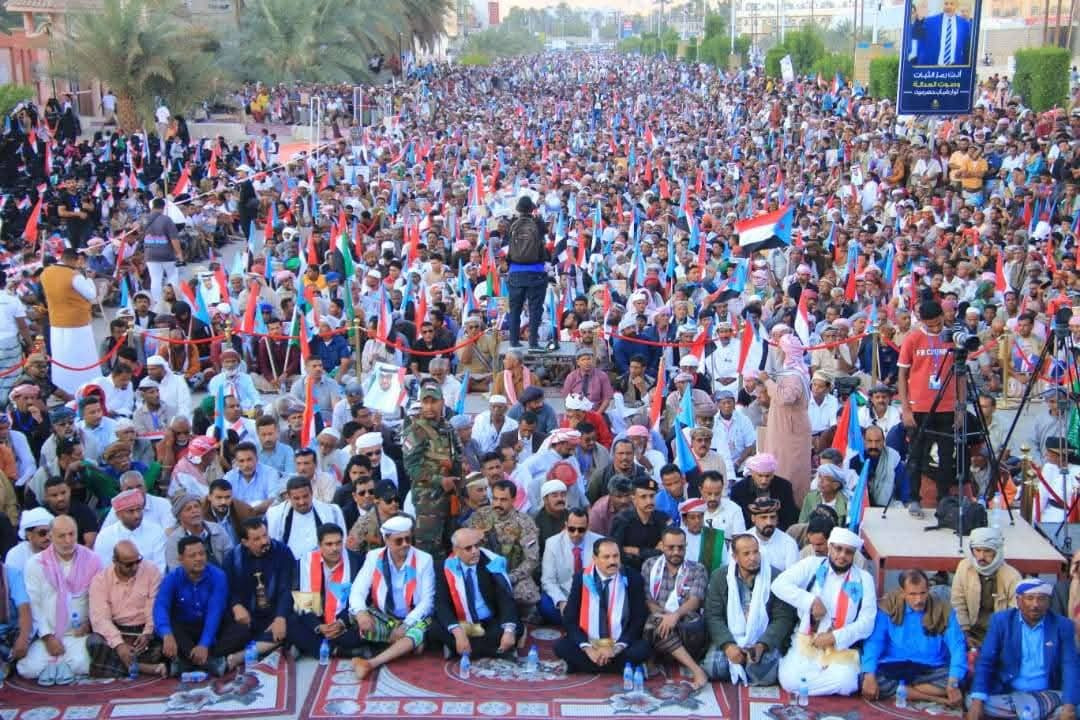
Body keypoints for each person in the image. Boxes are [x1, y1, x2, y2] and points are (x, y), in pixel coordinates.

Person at [772, 527, 877, 696]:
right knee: (788, 681)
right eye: (838, 549)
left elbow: (867, 623)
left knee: (847, 682)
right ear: (829, 547)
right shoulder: (811, 565)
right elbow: (778, 585)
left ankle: (806, 686)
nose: (842, 555)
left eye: (848, 552)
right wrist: (810, 601)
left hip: (841, 646)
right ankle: (812, 683)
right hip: (808, 641)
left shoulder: (864, 579)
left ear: (854, 555)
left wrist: (834, 637)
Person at [968, 579, 1079, 720]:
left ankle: (1027, 713)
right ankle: (1034, 713)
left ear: (1049, 602)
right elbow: (986, 661)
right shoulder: (1001, 621)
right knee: (972, 701)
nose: (1035, 605)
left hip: (1047, 693)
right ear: (1018, 601)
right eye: (1030, 598)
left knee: (1073, 706)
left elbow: (1070, 666)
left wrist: (1069, 707)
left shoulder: (1062, 625)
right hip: (1009, 693)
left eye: (1041, 599)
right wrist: (977, 701)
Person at [860, 569, 967, 707]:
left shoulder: (942, 609)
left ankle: (904, 691)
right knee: (865, 678)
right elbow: (875, 642)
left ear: (929, 590)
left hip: (930, 668)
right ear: (902, 592)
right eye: (912, 594)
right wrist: (869, 675)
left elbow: (957, 645)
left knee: (961, 678)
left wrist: (953, 683)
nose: (919, 600)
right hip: (894, 666)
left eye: (923, 593)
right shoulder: (889, 606)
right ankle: (935, 698)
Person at [347, 515, 436, 680]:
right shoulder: (374, 557)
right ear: (386, 540)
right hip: (384, 617)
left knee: (417, 630)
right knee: (357, 617)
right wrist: (361, 613)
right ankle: (406, 646)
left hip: (413, 618)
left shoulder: (424, 560)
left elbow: (427, 601)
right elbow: (358, 590)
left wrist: (405, 625)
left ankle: (371, 663)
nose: (405, 544)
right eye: (399, 541)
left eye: (408, 539)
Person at [703, 532, 796, 685]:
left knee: (766, 676)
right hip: (731, 636)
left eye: (755, 552)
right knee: (713, 668)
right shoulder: (720, 577)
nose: (753, 558)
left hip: (761, 639)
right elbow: (713, 616)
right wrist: (728, 645)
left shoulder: (775, 577)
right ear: (735, 557)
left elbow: (782, 618)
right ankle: (740, 663)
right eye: (746, 554)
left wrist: (762, 645)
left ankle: (747, 664)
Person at [18, 515, 102, 684]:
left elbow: (99, 598)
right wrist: (48, 637)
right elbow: (34, 605)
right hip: (46, 635)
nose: (68, 540)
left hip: (77, 634)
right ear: (50, 536)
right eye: (61, 536)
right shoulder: (36, 563)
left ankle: (58, 667)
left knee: (85, 663)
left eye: (71, 534)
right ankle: (61, 666)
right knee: (27, 668)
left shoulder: (92, 560)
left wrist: (89, 624)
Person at [153, 536, 249, 677]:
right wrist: (167, 635)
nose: (199, 558)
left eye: (202, 553)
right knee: (166, 628)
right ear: (181, 559)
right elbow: (160, 607)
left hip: (213, 630)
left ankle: (186, 664)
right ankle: (212, 663)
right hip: (186, 631)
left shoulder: (218, 576)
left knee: (242, 630)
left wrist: (204, 644)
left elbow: (215, 612)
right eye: (192, 555)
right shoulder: (171, 578)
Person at [554, 537, 650, 673]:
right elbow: (569, 618)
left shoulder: (632, 578)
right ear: (595, 558)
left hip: (619, 644)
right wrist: (588, 649)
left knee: (643, 648)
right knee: (561, 646)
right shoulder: (582, 578)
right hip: (590, 642)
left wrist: (616, 649)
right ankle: (617, 667)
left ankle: (589, 666)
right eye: (606, 557)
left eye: (616, 556)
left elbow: (638, 619)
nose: (612, 562)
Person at [899, 301, 957, 504]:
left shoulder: (953, 337)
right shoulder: (913, 338)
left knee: (946, 456)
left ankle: (944, 499)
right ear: (922, 321)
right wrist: (906, 409)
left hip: (947, 406)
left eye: (938, 323)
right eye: (930, 325)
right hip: (919, 407)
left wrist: (960, 407)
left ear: (943, 316)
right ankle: (914, 498)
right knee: (916, 456)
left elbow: (961, 374)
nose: (935, 328)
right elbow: (902, 374)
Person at [431, 527, 519, 659]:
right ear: (456, 550)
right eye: (468, 548)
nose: (475, 551)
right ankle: (496, 651)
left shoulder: (492, 562)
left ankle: (458, 649)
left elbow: (505, 598)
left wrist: (509, 631)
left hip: (488, 622)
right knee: (434, 627)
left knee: (513, 627)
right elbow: (441, 603)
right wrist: (458, 633)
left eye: (477, 546)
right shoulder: (444, 567)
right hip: (461, 622)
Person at [641, 527, 709, 689]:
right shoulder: (650, 565)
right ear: (662, 546)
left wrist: (675, 616)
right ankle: (696, 670)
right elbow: (648, 600)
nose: (676, 552)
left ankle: (655, 662)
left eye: (680, 547)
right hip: (658, 621)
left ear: (686, 546)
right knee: (655, 622)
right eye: (671, 547)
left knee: (654, 625)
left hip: (687, 627)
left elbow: (695, 601)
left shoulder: (697, 569)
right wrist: (665, 618)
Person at [86, 539, 165, 678]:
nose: (135, 567)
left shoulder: (151, 571)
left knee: (164, 645)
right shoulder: (100, 580)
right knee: (94, 642)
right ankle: (144, 668)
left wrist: (147, 633)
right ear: (115, 561)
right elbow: (100, 619)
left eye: (138, 561)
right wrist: (119, 645)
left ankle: (116, 667)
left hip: (144, 633)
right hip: (117, 630)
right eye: (129, 564)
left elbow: (154, 607)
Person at [466, 479, 541, 619]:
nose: (498, 504)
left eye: (503, 500)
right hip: (483, 573)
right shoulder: (479, 517)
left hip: (512, 574)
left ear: (513, 499)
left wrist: (510, 577)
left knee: (527, 595)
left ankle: (523, 619)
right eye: (495, 499)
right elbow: (464, 545)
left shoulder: (525, 522)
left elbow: (532, 559)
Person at [287, 523, 364, 659]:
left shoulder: (356, 561)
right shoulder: (305, 563)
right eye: (329, 544)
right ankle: (336, 651)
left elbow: (361, 597)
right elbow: (303, 603)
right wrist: (318, 627)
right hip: (316, 619)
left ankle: (311, 646)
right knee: (291, 623)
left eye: (338, 543)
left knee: (363, 628)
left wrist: (342, 622)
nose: (335, 549)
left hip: (344, 619)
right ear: (319, 545)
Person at [403, 385, 462, 563]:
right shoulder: (415, 431)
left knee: (452, 544)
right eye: (425, 402)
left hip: (451, 497)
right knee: (429, 550)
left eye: (434, 401)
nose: (429, 406)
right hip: (427, 501)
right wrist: (439, 480)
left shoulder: (448, 427)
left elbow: (458, 455)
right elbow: (411, 467)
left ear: (442, 402)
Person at [223, 518, 294, 664]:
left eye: (265, 535)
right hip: (247, 616)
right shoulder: (232, 558)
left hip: (274, 613)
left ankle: (240, 656)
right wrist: (236, 605)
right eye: (257, 539)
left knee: (293, 625)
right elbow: (226, 588)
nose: (264, 541)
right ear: (245, 542)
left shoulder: (282, 552)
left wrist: (280, 617)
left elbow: (287, 588)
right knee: (231, 628)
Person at [40, 248, 99, 394]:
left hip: (56, 321)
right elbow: (91, 295)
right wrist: (89, 279)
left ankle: (63, 387)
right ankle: (84, 385)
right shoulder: (74, 276)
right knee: (81, 356)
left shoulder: (46, 272)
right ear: (75, 260)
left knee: (62, 357)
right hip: (77, 323)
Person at [951, 526, 1021, 649]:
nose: (981, 556)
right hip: (969, 632)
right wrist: (965, 634)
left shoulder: (1012, 577)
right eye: (977, 550)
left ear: (997, 551)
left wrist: (997, 642)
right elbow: (958, 603)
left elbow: (1014, 615)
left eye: (987, 551)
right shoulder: (964, 567)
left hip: (1000, 636)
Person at [763, 334, 812, 503]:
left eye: (780, 349)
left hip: (791, 432)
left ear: (786, 352)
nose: (778, 352)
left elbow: (786, 398)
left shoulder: (794, 375)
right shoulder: (789, 372)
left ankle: (793, 508)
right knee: (778, 468)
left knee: (790, 472)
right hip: (782, 428)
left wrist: (767, 382)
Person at [539, 507, 602, 625]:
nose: (576, 534)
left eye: (581, 530)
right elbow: (548, 580)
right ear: (566, 525)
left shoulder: (600, 543)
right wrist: (561, 601)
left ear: (588, 527)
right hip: (563, 593)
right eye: (572, 529)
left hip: (591, 596)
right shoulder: (552, 543)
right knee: (545, 604)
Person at [505, 194, 550, 351]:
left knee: (515, 309)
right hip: (536, 272)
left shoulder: (512, 224)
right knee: (535, 308)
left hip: (515, 272)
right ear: (532, 209)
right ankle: (533, 342)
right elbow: (545, 232)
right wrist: (538, 218)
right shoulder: (537, 223)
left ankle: (513, 341)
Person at [266, 475, 347, 558]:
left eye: (305, 496)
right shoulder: (275, 514)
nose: (302, 502)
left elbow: (342, 543)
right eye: (296, 498)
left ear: (312, 493)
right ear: (289, 498)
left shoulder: (332, 512)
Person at [93, 488, 168, 574]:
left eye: (139, 509)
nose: (137, 515)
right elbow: (103, 570)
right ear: (118, 515)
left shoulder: (156, 531)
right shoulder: (105, 536)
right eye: (131, 511)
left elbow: (160, 569)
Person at [611, 478, 670, 572]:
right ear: (633, 499)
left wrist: (637, 551)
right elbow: (616, 551)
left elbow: (668, 549)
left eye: (652, 496)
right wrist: (653, 552)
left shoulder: (663, 519)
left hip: (657, 569)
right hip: (629, 571)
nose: (649, 501)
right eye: (643, 497)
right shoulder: (622, 520)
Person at [729, 453, 799, 530]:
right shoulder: (739, 490)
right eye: (760, 476)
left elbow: (790, 516)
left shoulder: (784, 486)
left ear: (773, 474)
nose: (764, 481)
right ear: (752, 473)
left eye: (767, 476)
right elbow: (736, 518)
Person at [164, 493, 233, 570]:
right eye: (188, 509)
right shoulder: (174, 541)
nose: (194, 511)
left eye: (196, 506)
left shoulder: (217, 529)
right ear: (179, 516)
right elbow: (176, 570)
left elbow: (230, 558)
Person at [911, 0, 973, 66]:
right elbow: (916, 35)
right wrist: (919, 18)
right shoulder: (930, 21)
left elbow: (967, 47)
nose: (948, 6)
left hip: (955, 67)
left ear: (956, 6)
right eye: (946, 3)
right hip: (933, 67)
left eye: (952, 4)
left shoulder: (964, 24)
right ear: (942, 5)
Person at [746, 497, 800, 571]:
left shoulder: (788, 543)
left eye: (772, 517)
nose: (769, 522)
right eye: (763, 517)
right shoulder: (742, 541)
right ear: (753, 518)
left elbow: (793, 575)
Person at [5, 507, 53, 572]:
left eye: (50, 532)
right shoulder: (16, 555)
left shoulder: (59, 549)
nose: (48, 537)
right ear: (29, 535)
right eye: (42, 533)